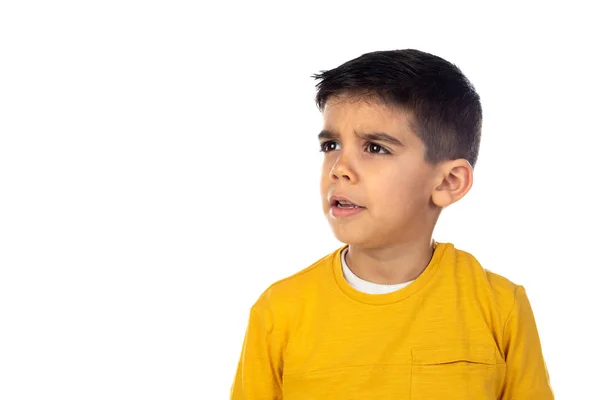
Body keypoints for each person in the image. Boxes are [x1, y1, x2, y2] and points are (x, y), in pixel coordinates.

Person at [230, 49, 554, 399]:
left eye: (375, 148)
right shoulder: (279, 312)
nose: (339, 167)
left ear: (448, 182)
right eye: (331, 145)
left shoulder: (500, 307)